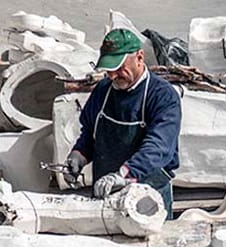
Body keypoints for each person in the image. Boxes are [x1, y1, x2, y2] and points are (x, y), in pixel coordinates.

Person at [64, 28, 181, 218]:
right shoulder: (103, 90)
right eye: (109, 70)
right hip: (105, 195)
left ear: (140, 57)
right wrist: (78, 155)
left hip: (148, 200)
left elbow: (158, 147)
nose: (112, 76)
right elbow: (90, 133)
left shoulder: (162, 96)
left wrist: (124, 174)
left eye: (118, 68)